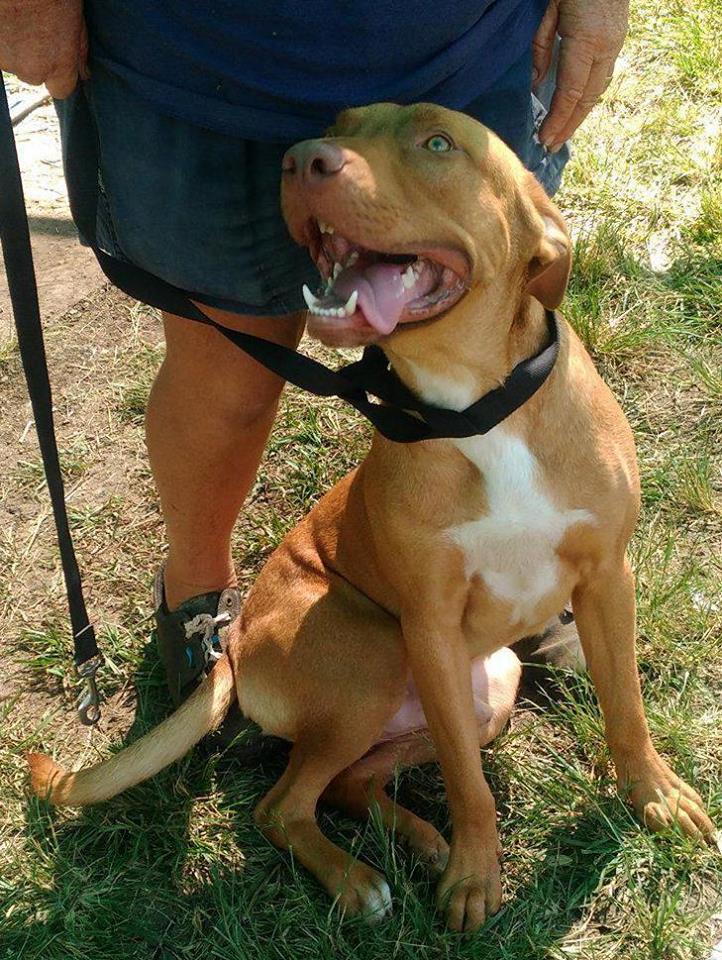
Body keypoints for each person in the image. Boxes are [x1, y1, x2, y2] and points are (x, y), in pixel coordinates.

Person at [1, 0, 629, 704]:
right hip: (203, 65)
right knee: (227, 372)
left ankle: (519, 575)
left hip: (468, 44)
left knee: (484, 344)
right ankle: (196, 594)